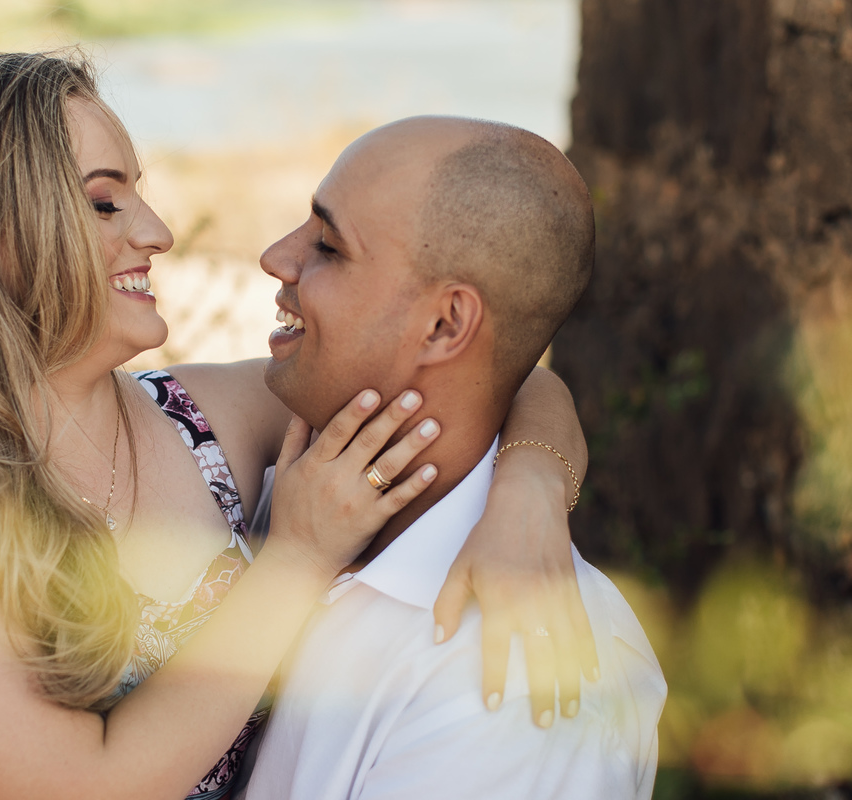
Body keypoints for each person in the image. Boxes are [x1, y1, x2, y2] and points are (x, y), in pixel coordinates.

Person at [0, 52, 593, 800]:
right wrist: (293, 559)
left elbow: (490, 374)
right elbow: (88, 785)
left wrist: (530, 490)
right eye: (106, 203)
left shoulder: (211, 422)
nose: (156, 233)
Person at [240, 116, 667, 799]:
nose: (277, 256)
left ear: (444, 326)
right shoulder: (258, 465)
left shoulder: (512, 689)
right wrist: (533, 475)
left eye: (327, 244)